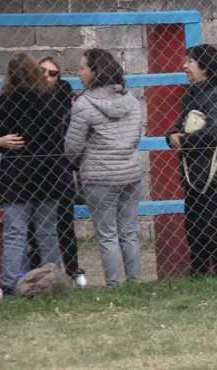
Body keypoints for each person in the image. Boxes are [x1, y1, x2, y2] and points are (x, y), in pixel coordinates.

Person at [0, 53, 68, 296]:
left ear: (11, 75)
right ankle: (53, 281)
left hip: (18, 173)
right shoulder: (50, 98)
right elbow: (59, 136)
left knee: (15, 231)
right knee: (47, 231)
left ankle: (12, 283)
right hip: (49, 171)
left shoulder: (8, 100)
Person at [65, 49, 143, 288]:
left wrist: (75, 162)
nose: (78, 73)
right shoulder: (131, 100)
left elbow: (72, 147)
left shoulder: (84, 104)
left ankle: (113, 284)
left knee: (107, 233)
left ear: (95, 71)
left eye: (82, 68)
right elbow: (137, 137)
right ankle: (135, 283)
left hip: (99, 176)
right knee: (129, 231)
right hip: (131, 173)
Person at [167, 44, 217, 277]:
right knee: (194, 227)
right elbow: (180, 125)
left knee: (213, 227)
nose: (184, 66)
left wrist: (184, 141)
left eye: (190, 61)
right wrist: (171, 136)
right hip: (193, 175)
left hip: (215, 176)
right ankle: (199, 274)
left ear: (205, 67)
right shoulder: (192, 94)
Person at [27, 56, 85, 288]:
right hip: (30, 173)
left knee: (64, 226)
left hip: (59, 172)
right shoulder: (23, 98)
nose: (47, 77)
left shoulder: (63, 98)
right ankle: (36, 275)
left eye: (53, 73)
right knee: (33, 228)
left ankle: (71, 273)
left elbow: (70, 134)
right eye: (42, 71)